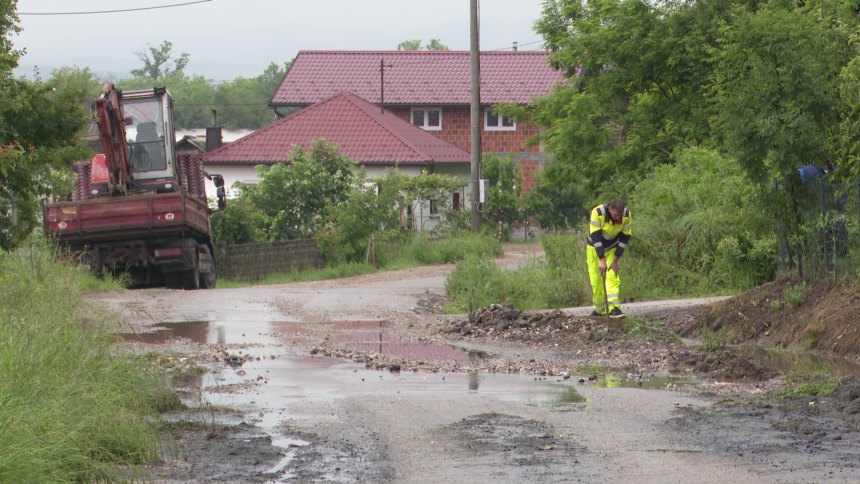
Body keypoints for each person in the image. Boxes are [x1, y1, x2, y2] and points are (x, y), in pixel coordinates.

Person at [587, 198, 631, 318]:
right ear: (610, 209)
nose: (618, 218)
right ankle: (598, 310)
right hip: (594, 249)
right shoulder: (598, 213)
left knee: (612, 277)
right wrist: (601, 259)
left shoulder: (626, 216)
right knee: (596, 280)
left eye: (620, 215)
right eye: (616, 215)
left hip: (611, 247)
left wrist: (616, 260)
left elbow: (625, 237)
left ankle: (614, 309)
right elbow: (595, 236)